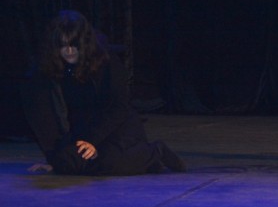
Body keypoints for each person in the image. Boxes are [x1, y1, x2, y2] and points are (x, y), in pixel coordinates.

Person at [21, 10, 187, 175]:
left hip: (116, 127)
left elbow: (119, 107)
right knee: (66, 163)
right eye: (64, 46)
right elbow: (64, 113)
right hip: (87, 128)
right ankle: (137, 162)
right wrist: (60, 158)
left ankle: (154, 152)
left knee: (110, 164)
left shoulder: (107, 62)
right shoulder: (59, 68)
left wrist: (92, 141)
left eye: (74, 45)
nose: (69, 51)